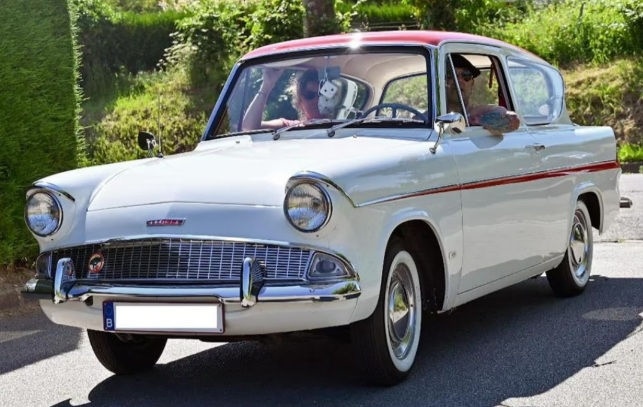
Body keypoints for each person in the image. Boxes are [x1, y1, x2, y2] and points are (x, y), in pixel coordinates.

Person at [446, 54, 520, 135]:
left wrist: (474, 119)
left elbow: (513, 120)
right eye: (450, 75)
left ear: (472, 84)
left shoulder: (479, 113)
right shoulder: (434, 116)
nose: (459, 80)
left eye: (466, 75)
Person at [241, 68, 327, 131]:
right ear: (299, 101)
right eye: (309, 95)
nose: (317, 99)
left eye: (323, 94)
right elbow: (249, 127)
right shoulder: (291, 127)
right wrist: (266, 85)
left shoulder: (336, 127)